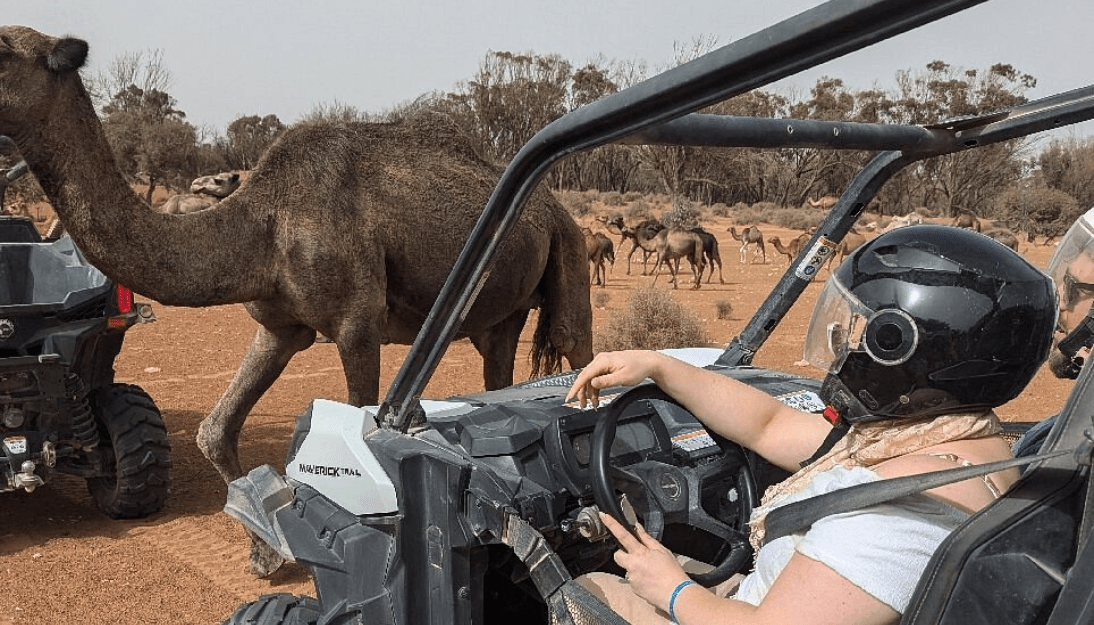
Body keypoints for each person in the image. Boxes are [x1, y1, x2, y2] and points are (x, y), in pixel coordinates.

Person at [566, 224, 1057, 625]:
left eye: (863, 331)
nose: (845, 346)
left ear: (902, 347)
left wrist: (671, 589)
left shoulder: (892, 514)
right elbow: (769, 425)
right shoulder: (956, 446)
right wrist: (662, 366)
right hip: (765, 601)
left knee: (587, 589)